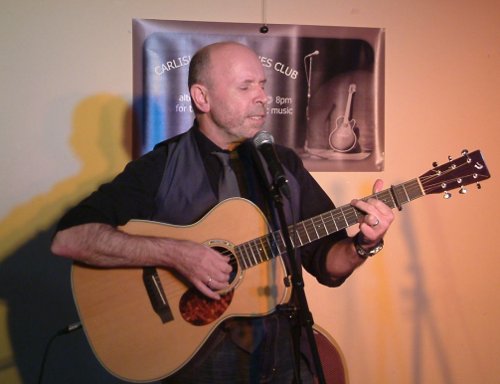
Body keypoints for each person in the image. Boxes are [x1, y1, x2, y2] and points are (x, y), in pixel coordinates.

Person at [51, 41, 394, 383]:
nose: (262, 97)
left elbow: (326, 262)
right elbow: (70, 239)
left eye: (262, 85)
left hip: (283, 349)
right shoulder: (162, 166)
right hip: (200, 361)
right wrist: (176, 254)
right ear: (202, 98)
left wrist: (364, 243)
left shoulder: (282, 164)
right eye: (245, 87)